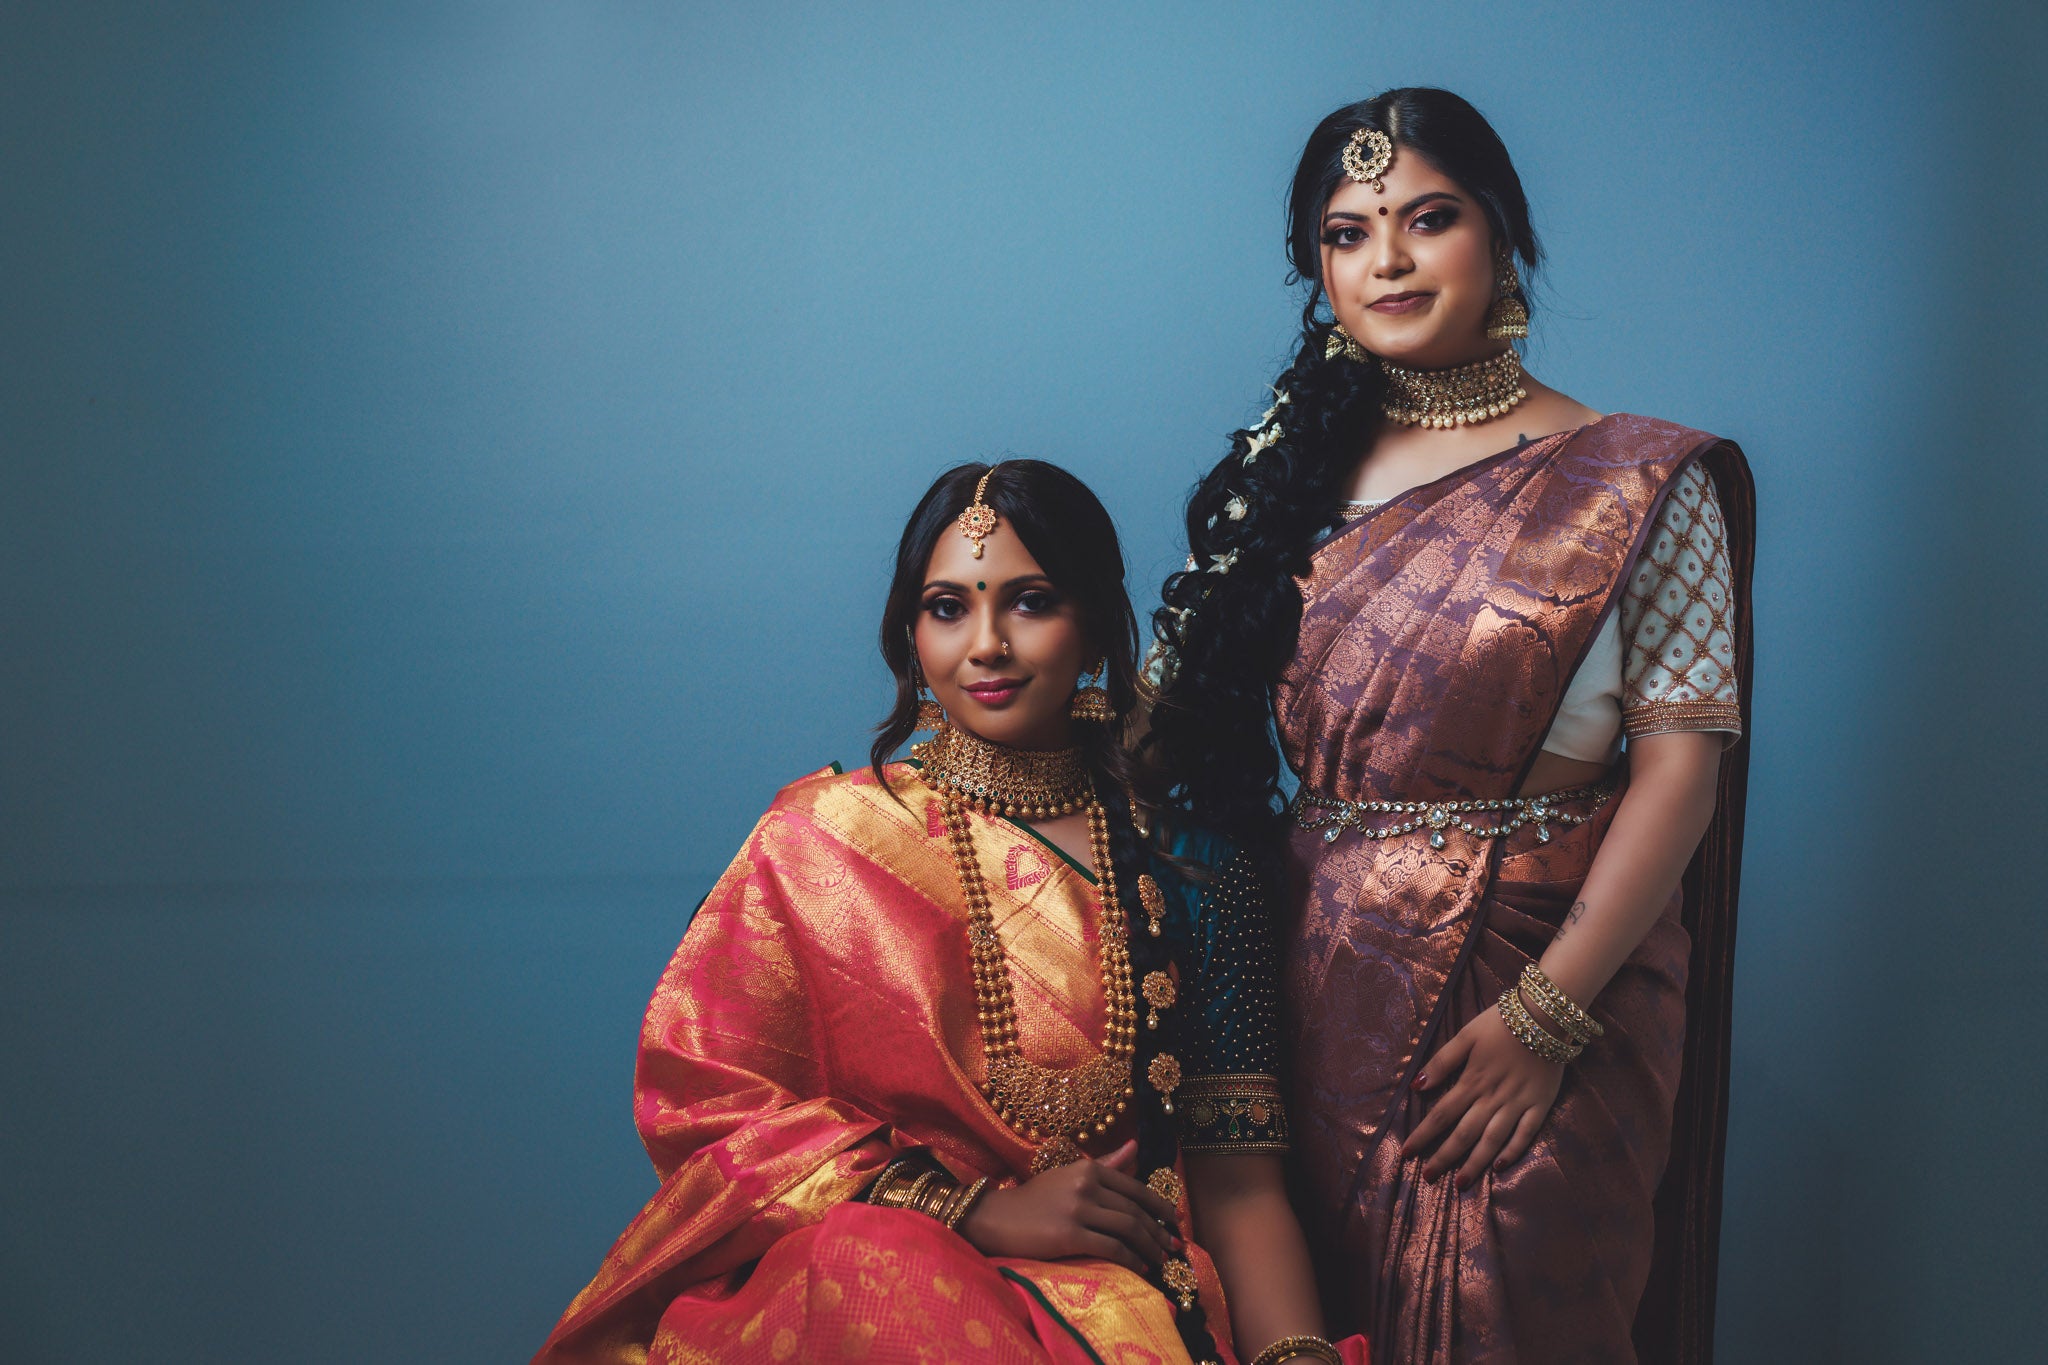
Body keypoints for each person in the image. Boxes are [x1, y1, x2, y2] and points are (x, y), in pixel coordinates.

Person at [1139, 89, 1754, 1365]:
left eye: (1427, 220)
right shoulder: (1288, 477)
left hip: (1539, 987)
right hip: (1309, 979)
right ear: (1316, 266)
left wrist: (1548, 1018)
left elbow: (1678, 778)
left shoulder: (1636, 477)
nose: (1389, 262)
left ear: (1503, 236)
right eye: (1348, 233)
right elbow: (1158, 715)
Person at [534, 461, 1358, 1365]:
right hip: (877, 1290)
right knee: (875, 1265)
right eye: (948, 606)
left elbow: (1239, 1183)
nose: (987, 643)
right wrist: (972, 1210)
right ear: (909, 633)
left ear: (1094, 628)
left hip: (1126, 1303)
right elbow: (715, 1112)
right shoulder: (822, 841)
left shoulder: (1194, 866)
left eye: (1031, 601)